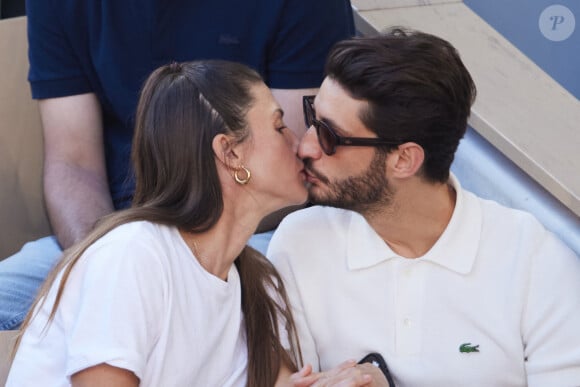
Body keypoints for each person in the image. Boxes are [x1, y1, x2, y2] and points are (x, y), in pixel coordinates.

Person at [0, 0, 354, 330]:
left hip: (254, 232)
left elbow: (288, 167)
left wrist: (169, 258)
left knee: (213, 326)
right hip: (114, 229)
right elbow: (73, 165)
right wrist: (105, 260)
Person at [268, 28, 580, 386]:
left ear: (404, 160)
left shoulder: (536, 265)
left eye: (330, 136)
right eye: (312, 118)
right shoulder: (299, 243)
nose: (306, 147)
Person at [7, 60, 311, 386]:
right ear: (230, 153)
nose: (303, 144)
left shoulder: (253, 282)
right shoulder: (131, 256)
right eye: (279, 127)